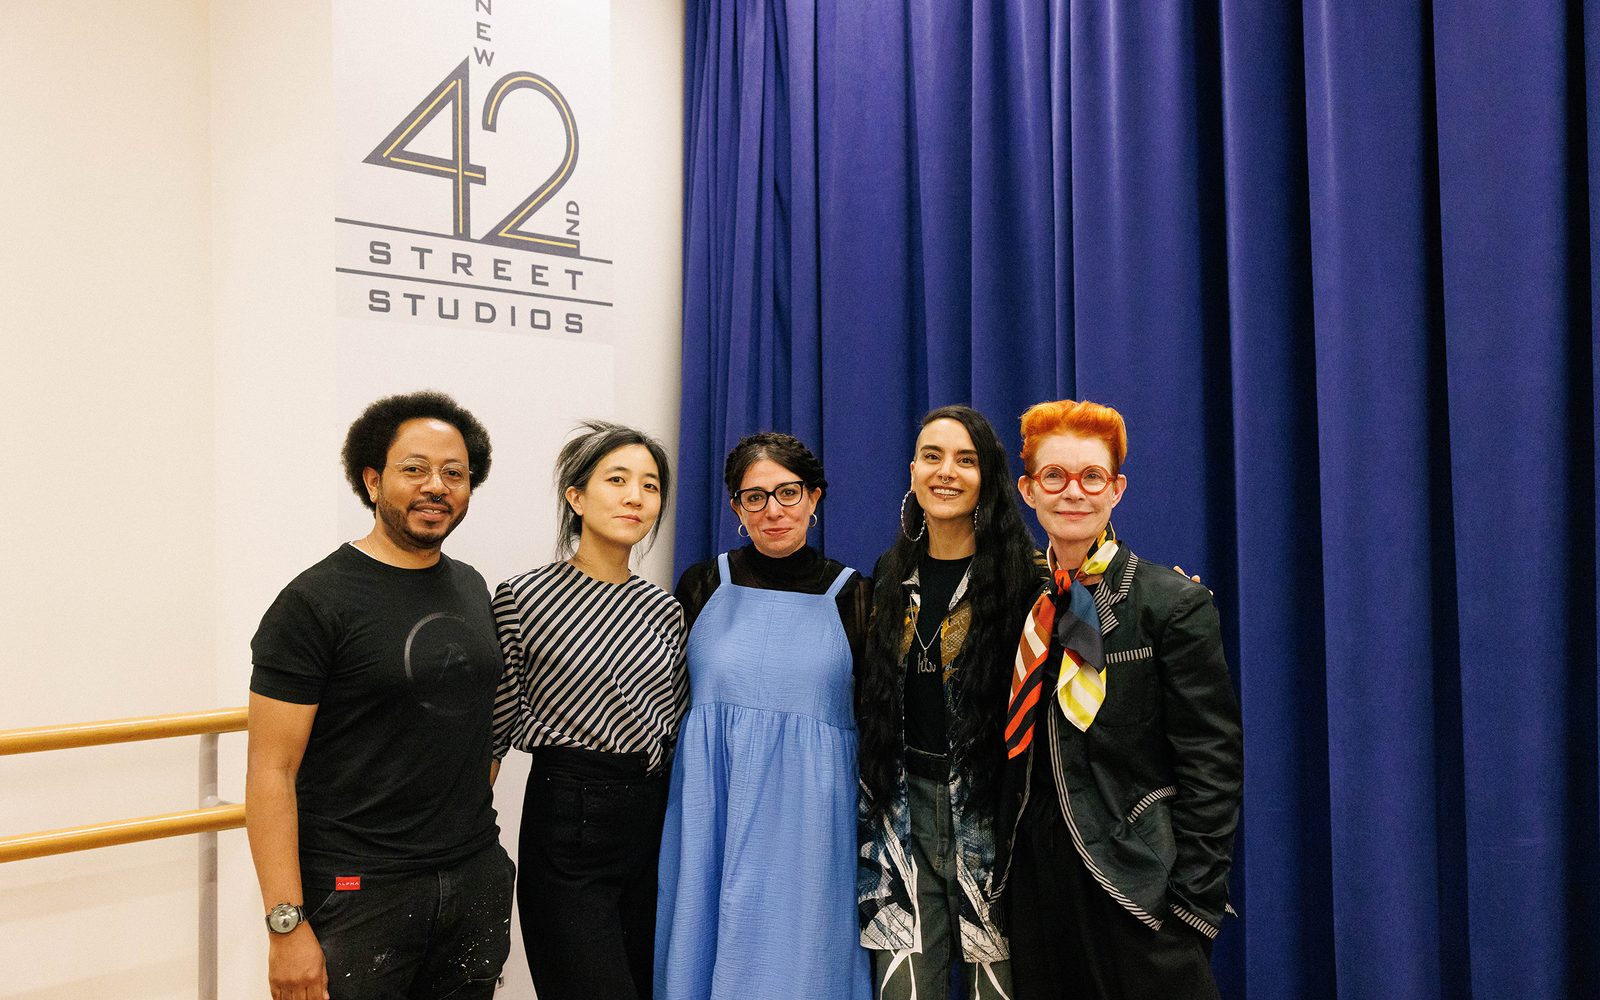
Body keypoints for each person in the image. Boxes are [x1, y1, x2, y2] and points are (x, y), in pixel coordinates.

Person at [245, 391, 513, 1000]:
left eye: (454, 473)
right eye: (414, 469)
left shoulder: (471, 586)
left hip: (472, 879)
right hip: (358, 893)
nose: (436, 486)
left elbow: (473, 726)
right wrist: (285, 925)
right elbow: (270, 771)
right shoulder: (314, 602)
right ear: (372, 480)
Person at [1001, 398, 1243, 1000]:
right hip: (1037, 883)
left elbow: (1212, 761)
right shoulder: (1019, 603)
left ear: (1117, 489)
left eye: (1092, 476)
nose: (1073, 493)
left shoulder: (1171, 603)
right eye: (1054, 476)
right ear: (1028, 490)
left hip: (1138, 881)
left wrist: (1191, 899)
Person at [655, 432, 872, 1000]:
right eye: (755, 497)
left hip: (814, 817)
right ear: (736, 509)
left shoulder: (857, 596)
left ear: (815, 498)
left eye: (788, 493)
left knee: (802, 954)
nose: (773, 509)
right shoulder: (700, 585)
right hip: (712, 804)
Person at [490, 421, 685, 1000]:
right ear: (575, 497)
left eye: (649, 486)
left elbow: (671, 732)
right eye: (617, 480)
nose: (635, 497)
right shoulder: (522, 598)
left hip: (650, 824)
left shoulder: (664, 609)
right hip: (567, 817)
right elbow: (492, 734)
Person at [856, 406, 1042, 1000]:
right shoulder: (889, 575)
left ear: (988, 475)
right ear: (912, 472)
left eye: (965, 460)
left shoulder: (1028, 579)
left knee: (1001, 989)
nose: (946, 472)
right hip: (899, 820)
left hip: (994, 821)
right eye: (932, 457)